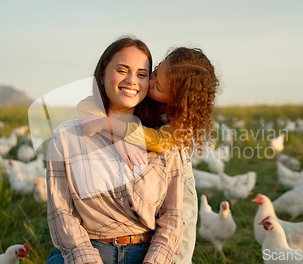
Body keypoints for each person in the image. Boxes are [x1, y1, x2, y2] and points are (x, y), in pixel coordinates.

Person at [46, 37, 184, 264]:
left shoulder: (163, 141)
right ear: (102, 74)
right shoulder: (68, 136)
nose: (131, 81)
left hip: (146, 252)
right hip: (84, 250)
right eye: (122, 70)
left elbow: (173, 217)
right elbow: (61, 213)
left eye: (141, 74)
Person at [76, 46, 219, 264]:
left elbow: (160, 141)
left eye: (158, 85)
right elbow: (86, 104)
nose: (149, 83)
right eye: (153, 74)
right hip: (142, 184)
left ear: (177, 99)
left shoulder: (182, 124)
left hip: (179, 183)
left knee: (177, 246)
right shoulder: (143, 95)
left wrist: (113, 126)